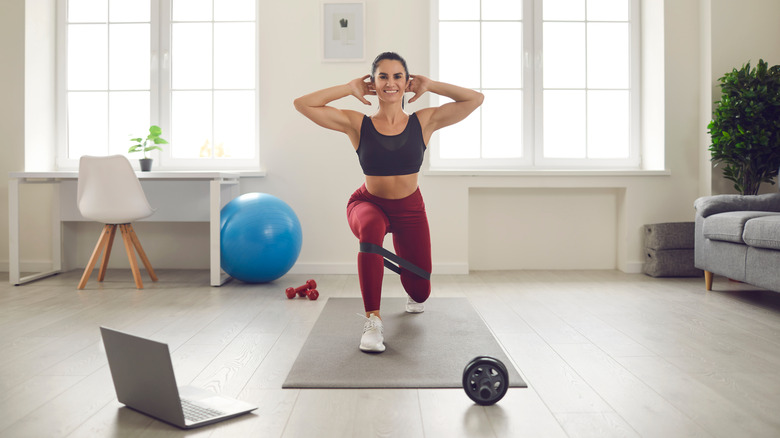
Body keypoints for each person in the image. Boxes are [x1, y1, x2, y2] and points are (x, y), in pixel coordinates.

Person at [294, 52, 483, 353]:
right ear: (373, 83)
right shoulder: (358, 124)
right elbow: (303, 104)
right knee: (370, 230)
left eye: (398, 76)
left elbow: (474, 99)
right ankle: (372, 322)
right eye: (383, 76)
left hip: (410, 209)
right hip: (369, 203)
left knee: (421, 293)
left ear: (408, 82)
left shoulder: (424, 121)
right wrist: (349, 88)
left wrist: (430, 84)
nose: (390, 83)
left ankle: (413, 289)